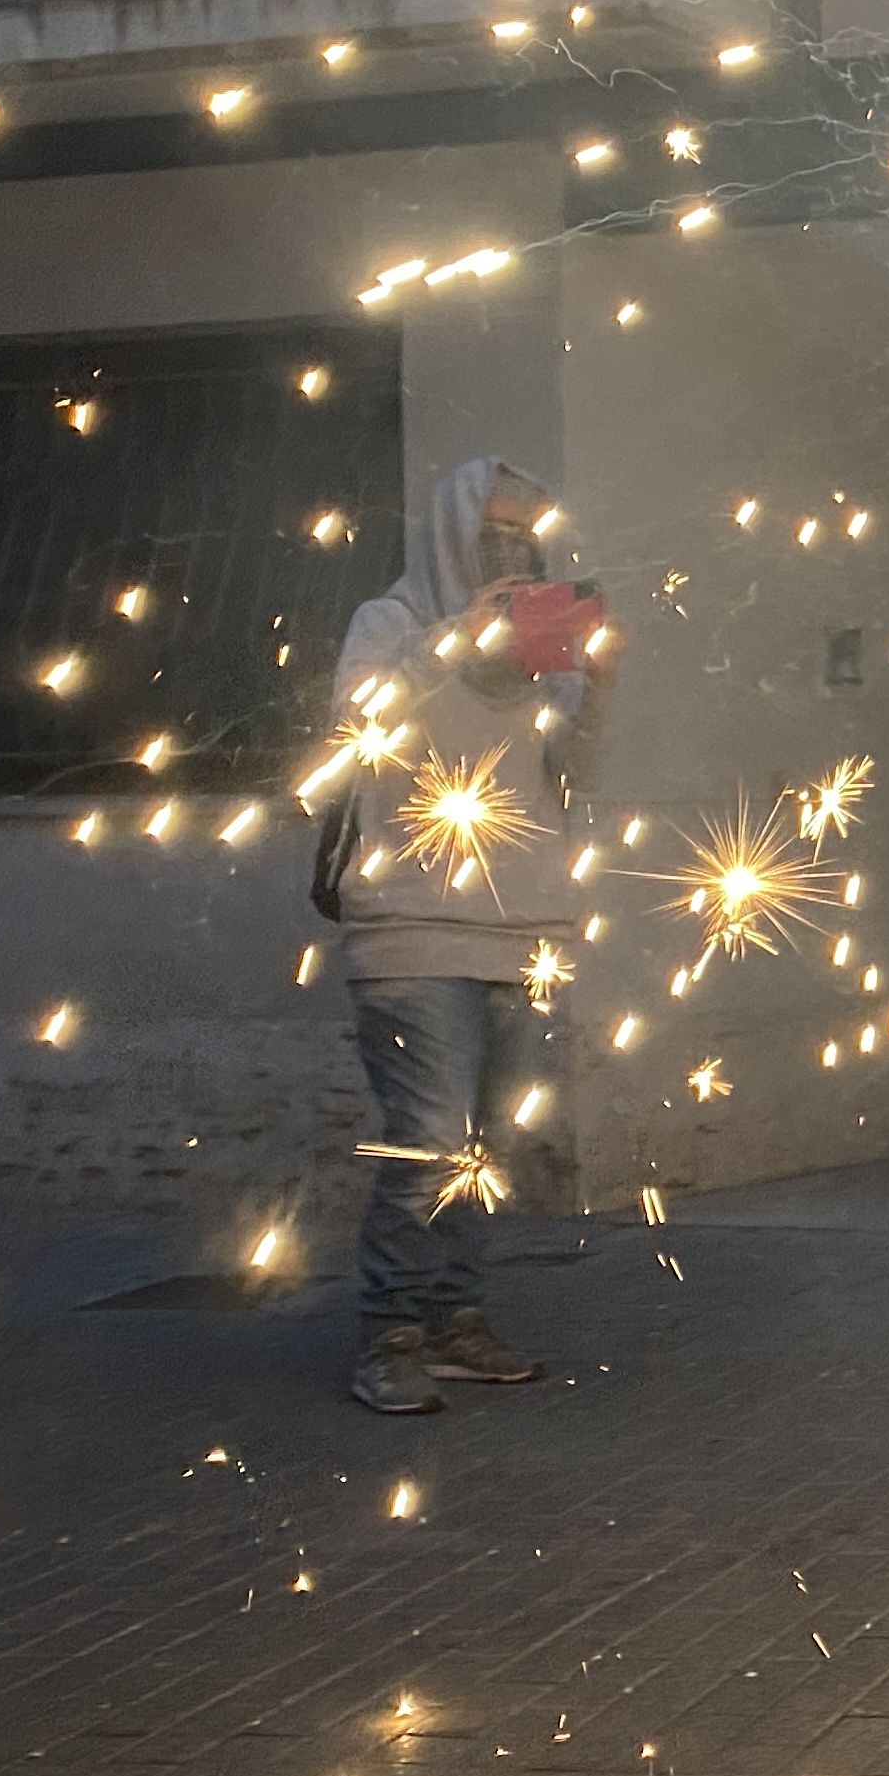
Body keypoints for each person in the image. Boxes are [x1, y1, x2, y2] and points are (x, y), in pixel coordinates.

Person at [322, 458, 606, 1415]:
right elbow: (362, 725)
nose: (512, 551)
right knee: (431, 1143)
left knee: (484, 1150)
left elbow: (569, 770)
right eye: (493, 533)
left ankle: (456, 1319)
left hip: (523, 925)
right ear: (451, 533)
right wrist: (455, 636)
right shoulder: (392, 625)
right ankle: (390, 1334)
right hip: (411, 927)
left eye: (524, 536)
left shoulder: (536, 660)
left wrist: (588, 676)